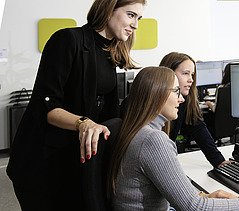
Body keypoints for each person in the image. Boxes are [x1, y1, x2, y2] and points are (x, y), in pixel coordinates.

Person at [6, 0, 146, 209]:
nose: (135, 25)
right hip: (43, 162)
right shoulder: (68, 40)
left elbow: (108, 111)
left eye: (139, 18)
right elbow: (46, 105)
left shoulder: (110, 51)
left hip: (75, 159)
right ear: (108, 10)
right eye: (131, 15)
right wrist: (84, 123)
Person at [108, 66, 239, 210]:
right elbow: (193, 208)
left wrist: (204, 197)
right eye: (175, 92)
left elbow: (188, 201)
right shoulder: (153, 140)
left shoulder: (136, 129)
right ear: (155, 94)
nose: (181, 99)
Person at [159, 52, 228, 168]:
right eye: (185, 73)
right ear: (168, 74)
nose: (191, 79)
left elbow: (198, 128)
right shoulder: (152, 110)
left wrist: (219, 161)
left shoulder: (185, 101)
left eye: (192, 75)